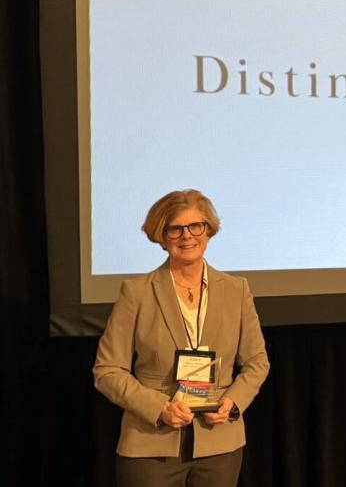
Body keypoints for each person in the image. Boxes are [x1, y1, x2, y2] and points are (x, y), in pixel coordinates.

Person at [94, 190, 269, 486]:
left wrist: (232, 403)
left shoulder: (237, 289)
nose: (186, 236)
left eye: (195, 226)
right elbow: (107, 371)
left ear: (209, 230)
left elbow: (256, 362)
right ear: (161, 236)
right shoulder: (136, 292)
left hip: (219, 445)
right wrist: (158, 408)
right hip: (150, 446)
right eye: (175, 228)